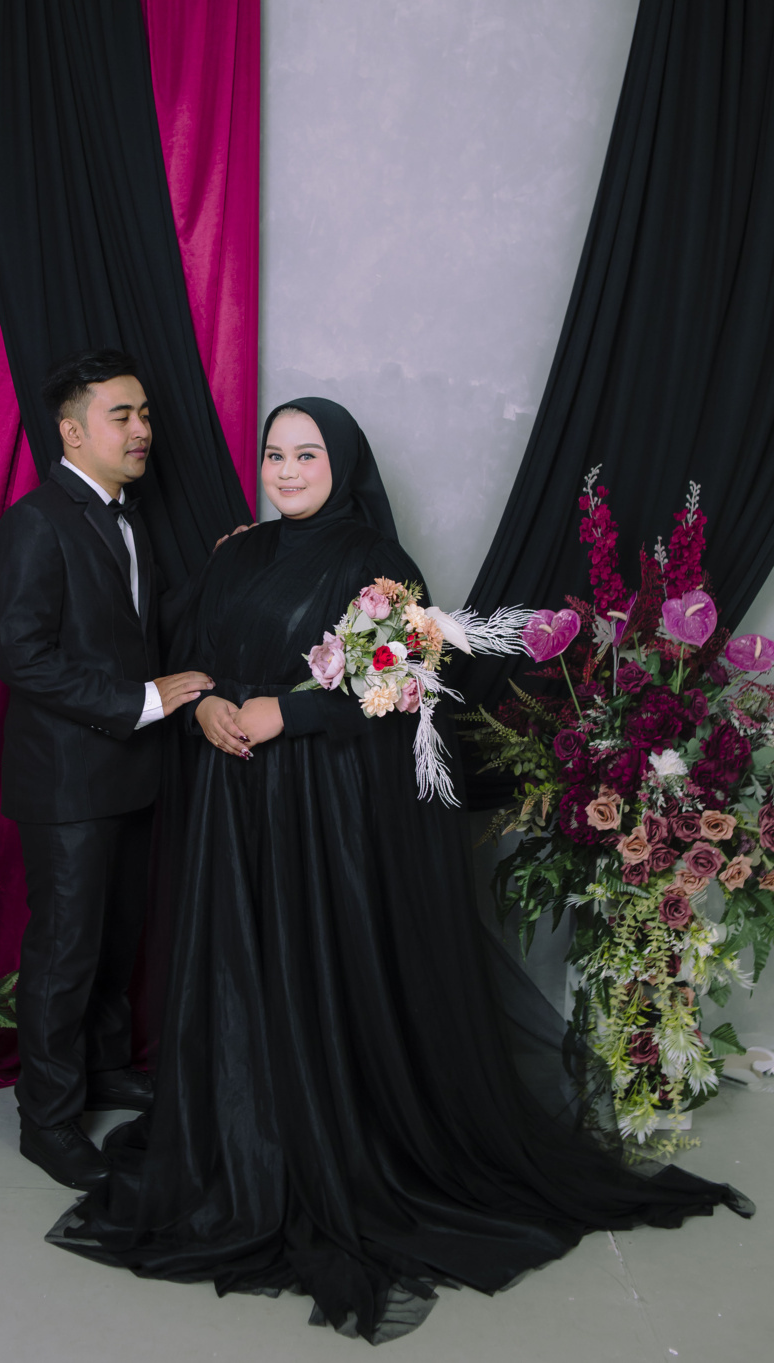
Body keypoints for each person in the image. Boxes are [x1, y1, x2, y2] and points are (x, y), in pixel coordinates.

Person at [46, 397, 751, 1342]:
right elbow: (194, 654)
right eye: (274, 453)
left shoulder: (379, 565)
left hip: (321, 808)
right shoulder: (238, 553)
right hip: (233, 801)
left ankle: (329, 1136)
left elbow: (399, 688)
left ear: (343, 462)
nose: (286, 470)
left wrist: (287, 713)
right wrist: (208, 706)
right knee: (240, 964)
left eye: (306, 454)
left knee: (316, 967)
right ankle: (246, 1133)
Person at [0, 349, 212, 1191]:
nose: (143, 428)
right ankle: (45, 1118)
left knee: (116, 938)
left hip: (126, 771)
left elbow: (128, 628)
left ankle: (104, 1068)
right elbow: (21, 656)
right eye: (123, 415)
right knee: (66, 949)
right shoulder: (35, 522)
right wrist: (142, 700)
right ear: (72, 431)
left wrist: (223, 570)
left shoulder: (127, 516)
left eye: (145, 413)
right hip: (67, 783)